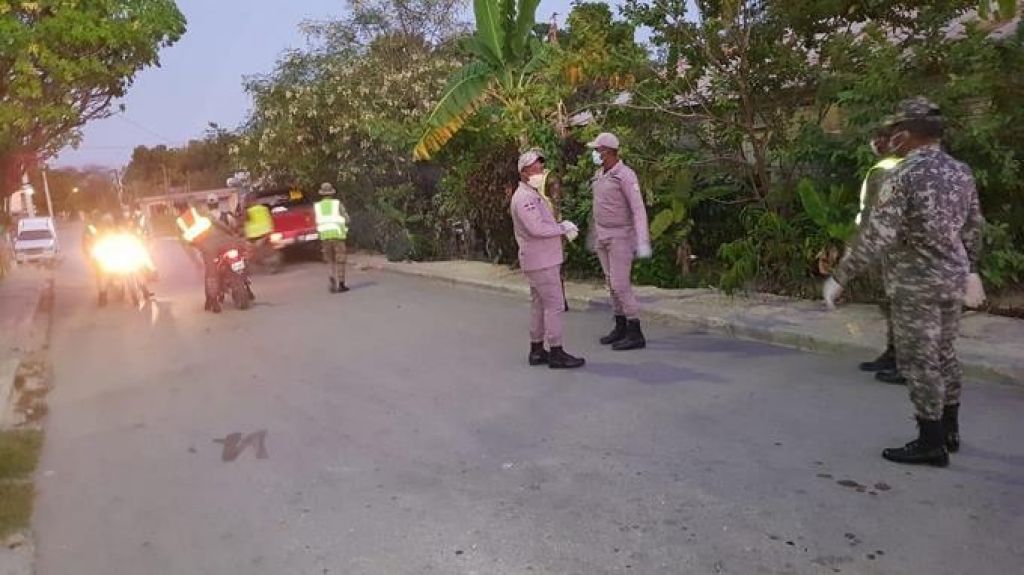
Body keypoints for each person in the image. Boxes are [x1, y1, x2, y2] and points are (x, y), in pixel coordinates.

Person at [823, 97, 984, 467]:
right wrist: (972, 268)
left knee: (920, 362)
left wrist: (840, 276)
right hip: (952, 277)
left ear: (907, 135)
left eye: (896, 130)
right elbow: (974, 225)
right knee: (945, 354)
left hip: (915, 282)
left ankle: (931, 442)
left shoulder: (903, 174)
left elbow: (877, 234)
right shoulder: (961, 171)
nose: (892, 137)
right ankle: (950, 430)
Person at [510, 149, 584, 369]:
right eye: (536, 167)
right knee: (554, 305)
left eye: (541, 165)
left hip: (539, 259)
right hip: (541, 260)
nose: (541, 169)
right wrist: (562, 228)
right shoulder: (525, 198)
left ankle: (536, 349)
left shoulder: (531, 194)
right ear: (524, 172)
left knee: (539, 305)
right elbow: (536, 228)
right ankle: (556, 351)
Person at [587, 132, 652, 351]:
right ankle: (620, 326)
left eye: (598, 150)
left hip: (621, 236)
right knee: (610, 283)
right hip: (602, 235)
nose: (595, 154)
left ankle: (635, 331)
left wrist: (642, 241)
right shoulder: (599, 174)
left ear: (609, 151)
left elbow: (638, 209)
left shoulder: (625, 175)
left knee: (620, 284)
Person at [855, 129, 907, 384]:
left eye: (878, 140)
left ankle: (905, 362)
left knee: (899, 307)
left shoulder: (893, 169)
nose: (874, 144)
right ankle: (893, 353)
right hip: (882, 248)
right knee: (888, 305)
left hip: (892, 250)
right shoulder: (886, 167)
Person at [175, 201, 244, 313]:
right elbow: (216, 223)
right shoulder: (199, 212)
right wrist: (231, 232)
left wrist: (195, 260)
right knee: (236, 257)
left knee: (211, 273)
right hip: (222, 240)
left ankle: (213, 301)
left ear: (177, 209)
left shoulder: (179, 222)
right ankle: (244, 285)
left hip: (207, 247)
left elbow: (185, 244)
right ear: (188, 206)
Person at [314, 183, 350, 293]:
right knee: (340, 259)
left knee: (330, 260)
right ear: (331, 193)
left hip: (324, 236)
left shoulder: (317, 206)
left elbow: (317, 221)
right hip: (337, 235)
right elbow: (347, 219)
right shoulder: (337, 204)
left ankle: (331, 276)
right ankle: (341, 283)